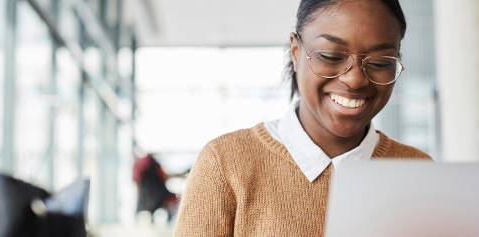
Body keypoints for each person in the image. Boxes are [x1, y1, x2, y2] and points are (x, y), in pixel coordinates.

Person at [174, 0, 431, 235]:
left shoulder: (419, 172)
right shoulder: (225, 164)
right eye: (330, 56)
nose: (354, 79)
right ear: (296, 53)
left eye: (380, 62)